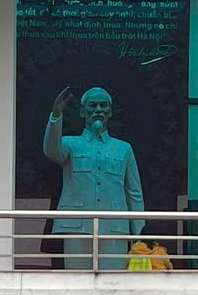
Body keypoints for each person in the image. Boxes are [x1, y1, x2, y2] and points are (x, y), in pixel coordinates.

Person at [44, 84, 145, 270]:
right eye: (92, 105)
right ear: (82, 111)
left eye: (103, 105)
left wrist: (139, 234)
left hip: (115, 228)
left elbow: (134, 194)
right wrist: (56, 116)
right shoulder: (70, 144)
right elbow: (52, 151)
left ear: (110, 112)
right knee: (77, 279)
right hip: (77, 227)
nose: (98, 110)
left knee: (113, 280)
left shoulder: (123, 148)